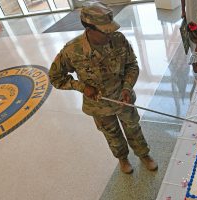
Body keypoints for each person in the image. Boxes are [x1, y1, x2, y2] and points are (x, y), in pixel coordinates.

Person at [48, 2, 157, 174]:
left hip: (123, 99)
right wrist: (82, 87)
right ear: (90, 29)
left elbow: (132, 65)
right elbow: (55, 77)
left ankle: (144, 155)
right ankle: (123, 159)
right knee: (112, 134)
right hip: (99, 106)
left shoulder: (118, 39)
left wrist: (127, 88)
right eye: (105, 30)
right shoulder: (72, 50)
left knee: (133, 128)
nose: (110, 33)